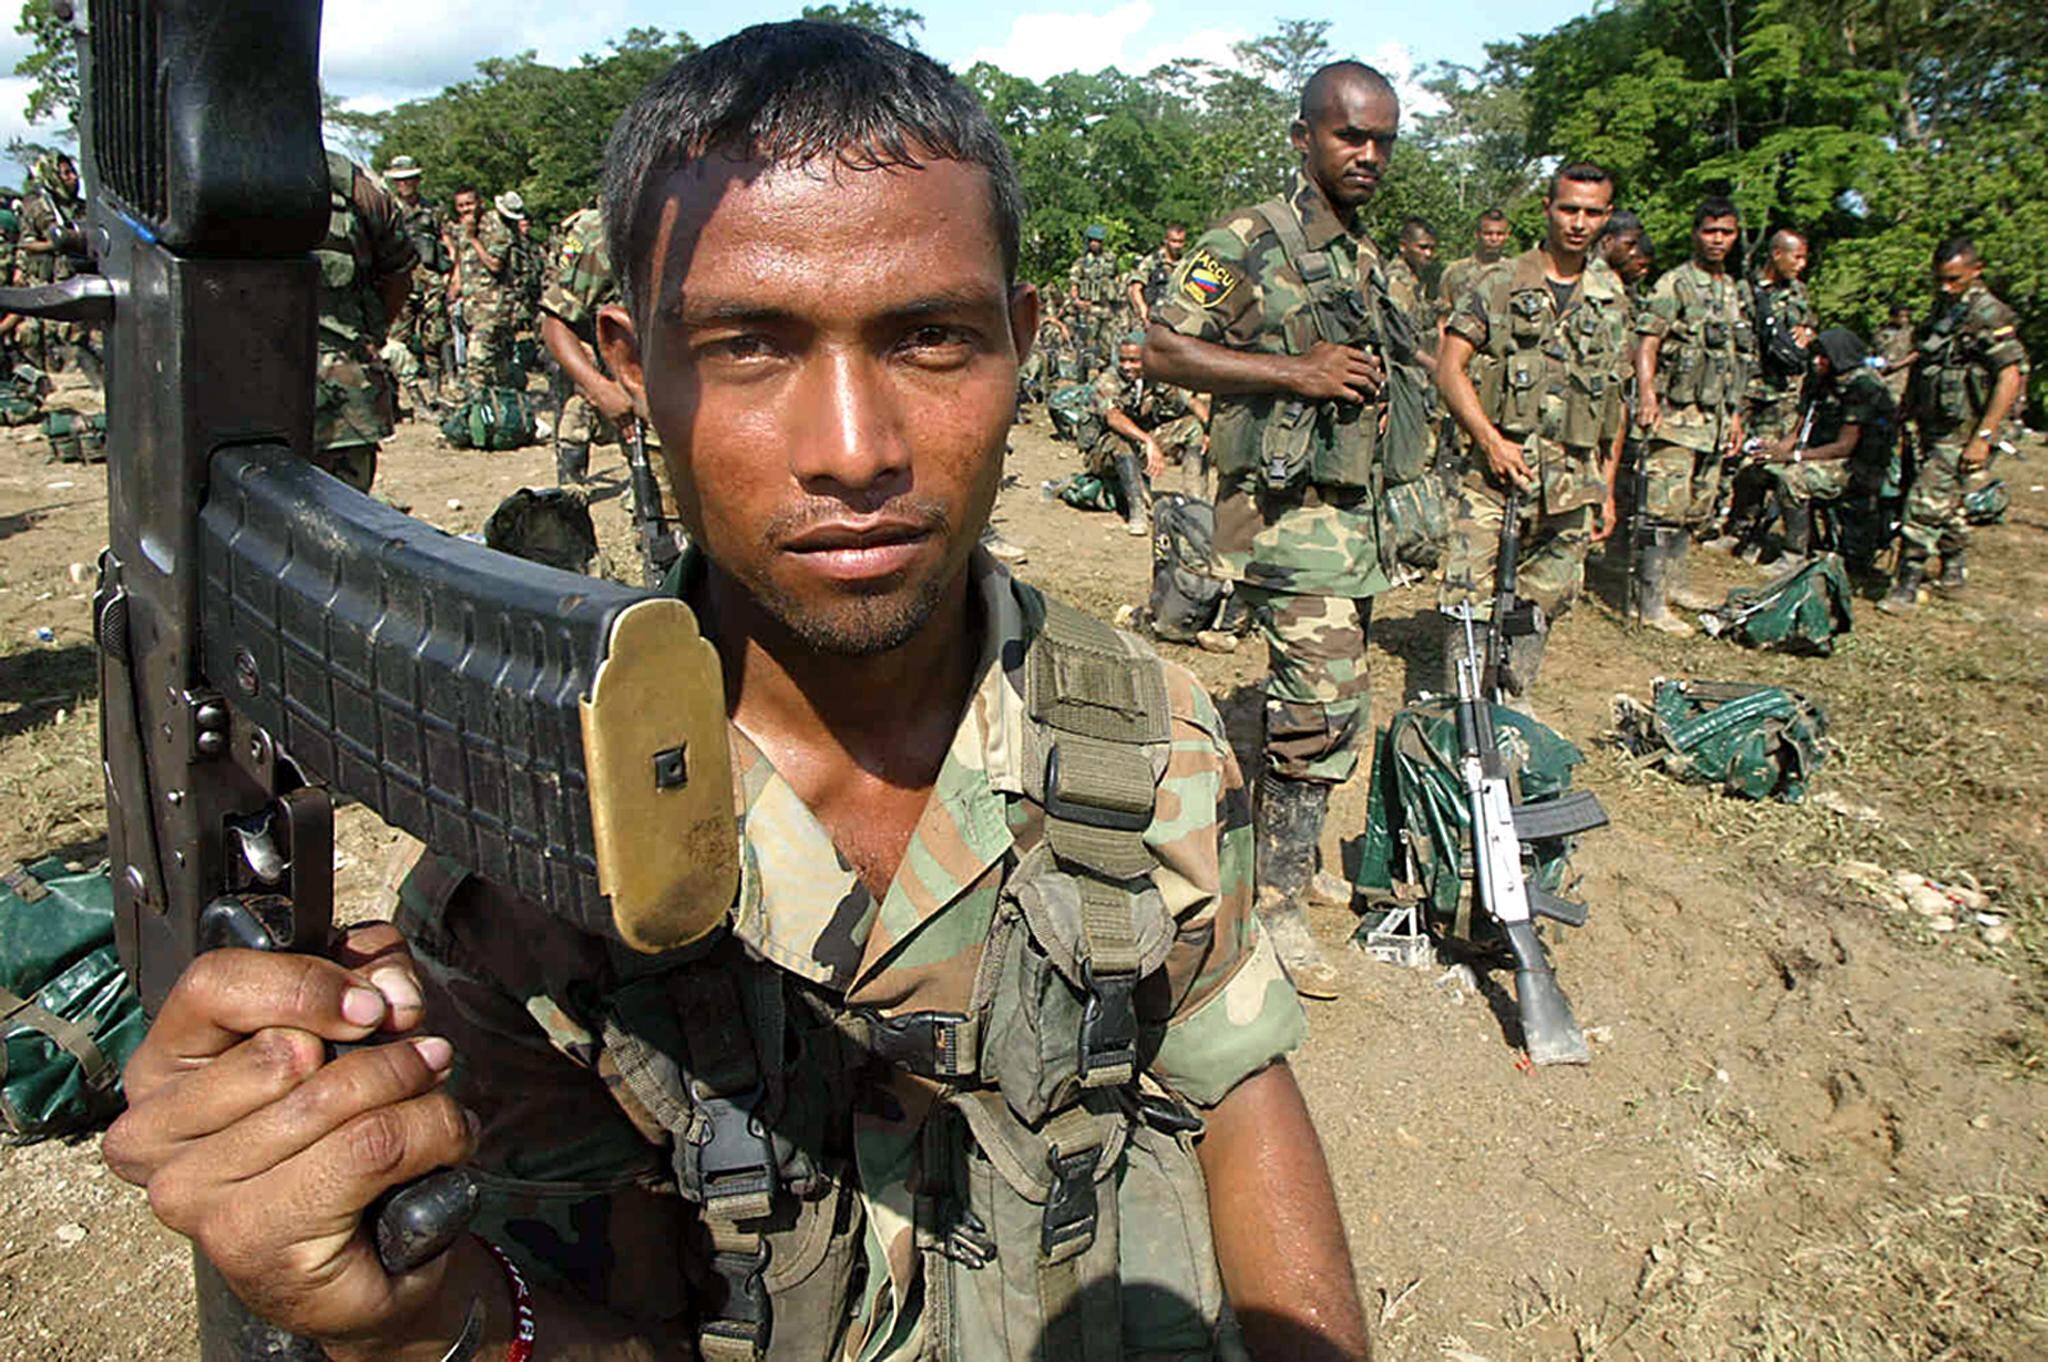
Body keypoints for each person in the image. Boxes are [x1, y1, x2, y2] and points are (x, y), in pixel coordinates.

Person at [103, 22, 1371, 1362]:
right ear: (629, 364)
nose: (855, 450)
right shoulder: (531, 875)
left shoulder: (1148, 738)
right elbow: (576, 1312)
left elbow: (1236, 1085)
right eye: (750, 346)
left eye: (930, 337)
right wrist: (427, 1311)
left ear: (1021, 342)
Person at [1146, 60, 1411, 1000]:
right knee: (1320, 703)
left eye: (1382, 140)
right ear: (1304, 137)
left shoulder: (1363, 255)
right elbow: (1160, 346)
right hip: (1280, 521)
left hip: (1348, 522)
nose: (1368, 154)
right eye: (1350, 135)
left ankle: (1272, 846)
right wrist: (1297, 372)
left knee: (1333, 699)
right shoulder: (1246, 241)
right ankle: (1277, 902)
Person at [1436, 162, 1629, 698]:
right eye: (1569, 209)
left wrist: (1607, 489)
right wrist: (1491, 441)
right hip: (1494, 476)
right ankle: (1463, 706)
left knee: (1549, 593)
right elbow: (1449, 369)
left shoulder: (1611, 295)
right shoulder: (1498, 281)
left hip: (1572, 481)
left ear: (1607, 217)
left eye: (1592, 213)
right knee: (1468, 594)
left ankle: (1513, 698)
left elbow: (1615, 401)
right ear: (1547, 208)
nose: (1579, 223)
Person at [1881, 236, 2029, 611]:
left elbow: (2009, 375)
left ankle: (1906, 584)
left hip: (1966, 428)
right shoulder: (1943, 310)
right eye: (1940, 280)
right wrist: (1908, 404)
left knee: (1925, 502)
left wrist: (1984, 436)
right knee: (1946, 500)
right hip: (1934, 422)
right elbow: (1926, 359)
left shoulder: (1989, 314)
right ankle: (1953, 570)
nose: (1946, 287)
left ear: (1976, 271)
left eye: (1954, 279)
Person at [1630, 195, 1755, 634]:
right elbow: (1647, 342)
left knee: (1692, 511)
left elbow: (1736, 358)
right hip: (1675, 419)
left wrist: (1734, 416)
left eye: (1726, 232)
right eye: (1710, 231)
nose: (1718, 240)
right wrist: (1647, 395)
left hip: (1714, 421)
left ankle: (1675, 586)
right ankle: (1648, 603)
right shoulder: (1675, 284)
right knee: (1661, 512)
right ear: (1695, 234)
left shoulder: (1734, 290)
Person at [310, 151, 417, 492]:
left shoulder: (356, 187)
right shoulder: (357, 185)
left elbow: (399, 272)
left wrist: (371, 336)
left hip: (338, 396)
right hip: (331, 381)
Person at [1751, 326, 1895, 566]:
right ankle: (1744, 534)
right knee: (1753, 470)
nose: (1817, 361)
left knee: (1794, 480)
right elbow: (1799, 428)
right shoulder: (1821, 380)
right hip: (1818, 455)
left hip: (1856, 465)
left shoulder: (1863, 387)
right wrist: (1775, 451)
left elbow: (1845, 446)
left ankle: (1794, 555)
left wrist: (1795, 456)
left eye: (1824, 357)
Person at [1055, 332, 1211, 531]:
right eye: (1123, 360)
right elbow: (1113, 417)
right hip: (1103, 452)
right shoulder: (1108, 380)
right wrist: (1148, 441)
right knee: (1121, 441)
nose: (1126, 366)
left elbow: (1191, 401)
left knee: (1193, 428)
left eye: (1134, 361)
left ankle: (1197, 503)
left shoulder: (1158, 376)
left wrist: (1208, 429)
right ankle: (1138, 511)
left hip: (1140, 444)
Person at [1724, 228, 1818, 553]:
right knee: (1728, 453)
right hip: (1744, 385)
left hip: (1781, 391)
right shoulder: (1741, 291)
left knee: (1765, 459)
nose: (1801, 265)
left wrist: (1807, 333)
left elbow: (1807, 328)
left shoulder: (1798, 293)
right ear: (1777, 254)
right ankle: (1720, 521)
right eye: (1797, 257)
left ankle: (1750, 530)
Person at [537, 199, 642, 488]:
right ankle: (571, 485)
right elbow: (557, 311)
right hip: (624, 373)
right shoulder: (597, 230)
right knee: (575, 409)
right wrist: (598, 388)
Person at [384, 154, 455, 408]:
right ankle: (392, 400)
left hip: (431, 282)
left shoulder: (433, 209)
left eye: (409, 179)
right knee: (395, 343)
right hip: (398, 281)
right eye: (399, 180)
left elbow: (448, 241)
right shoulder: (387, 207)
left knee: (435, 338)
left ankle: (436, 393)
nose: (404, 184)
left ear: (417, 180)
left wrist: (451, 277)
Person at [448, 184, 514, 395]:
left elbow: (495, 264)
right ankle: (504, 404)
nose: (465, 209)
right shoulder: (462, 228)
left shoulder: (495, 225)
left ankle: (472, 407)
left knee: (476, 363)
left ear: (480, 203)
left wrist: (473, 238)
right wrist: (455, 287)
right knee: (496, 366)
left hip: (493, 306)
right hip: (472, 307)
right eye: (461, 206)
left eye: (469, 204)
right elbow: (461, 260)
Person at [1436, 208, 1511, 326]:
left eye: (1500, 234)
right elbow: (1442, 316)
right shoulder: (1455, 272)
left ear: (1507, 235)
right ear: (1477, 235)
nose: (1494, 239)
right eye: (1488, 234)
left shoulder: (1516, 273)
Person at [1385, 217, 1440, 362]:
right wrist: (1433, 366)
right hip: (1405, 365)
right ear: (1403, 246)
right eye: (1422, 247)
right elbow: (1399, 337)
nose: (1428, 254)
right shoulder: (1397, 281)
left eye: (1432, 248)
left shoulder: (1418, 276)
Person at [1067, 223, 1121, 362]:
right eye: (1092, 240)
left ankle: (1105, 366)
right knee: (1088, 343)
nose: (1095, 243)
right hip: (1089, 307)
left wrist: (1116, 293)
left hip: (1108, 308)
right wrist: (1077, 301)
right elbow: (1074, 283)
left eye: (1098, 241)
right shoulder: (1081, 262)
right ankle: (1087, 368)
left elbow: (1116, 276)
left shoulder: (1111, 259)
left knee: (1108, 343)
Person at [1125, 222, 1188, 329]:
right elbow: (1135, 289)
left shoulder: (1185, 264)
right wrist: (1143, 310)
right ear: (1166, 240)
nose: (1177, 246)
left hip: (1175, 317)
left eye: (1180, 242)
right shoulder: (1151, 261)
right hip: (1151, 315)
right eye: (1173, 241)